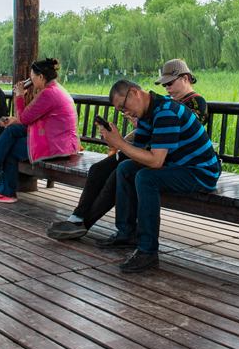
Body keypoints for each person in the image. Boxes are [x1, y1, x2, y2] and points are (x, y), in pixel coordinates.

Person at [47, 58, 207, 240]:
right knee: (99, 169)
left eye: (170, 83)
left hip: (175, 159)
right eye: (164, 85)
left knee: (121, 172)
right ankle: (78, 218)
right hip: (155, 152)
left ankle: (85, 224)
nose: (167, 88)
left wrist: (121, 143)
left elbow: (173, 137)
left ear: (185, 78)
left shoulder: (191, 104)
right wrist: (119, 141)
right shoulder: (158, 105)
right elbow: (146, 135)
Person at [95, 79, 221, 273]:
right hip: (178, 166)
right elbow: (138, 153)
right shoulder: (148, 113)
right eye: (121, 111)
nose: (126, 113)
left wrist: (120, 143)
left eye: (124, 106)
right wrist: (116, 142)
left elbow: (155, 161)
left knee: (146, 178)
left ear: (135, 92)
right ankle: (127, 233)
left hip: (200, 172)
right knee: (126, 169)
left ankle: (148, 251)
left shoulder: (165, 112)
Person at [0, 58, 79, 202]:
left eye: (32, 77)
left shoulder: (48, 94)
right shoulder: (55, 89)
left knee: (9, 148)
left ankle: (2, 187)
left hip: (56, 145)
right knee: (12, 131)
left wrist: (19, 95)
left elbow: (23, 119)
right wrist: (14, 120)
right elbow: (28, 119)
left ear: (41, 77)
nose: (31, 80)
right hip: (59, 141)